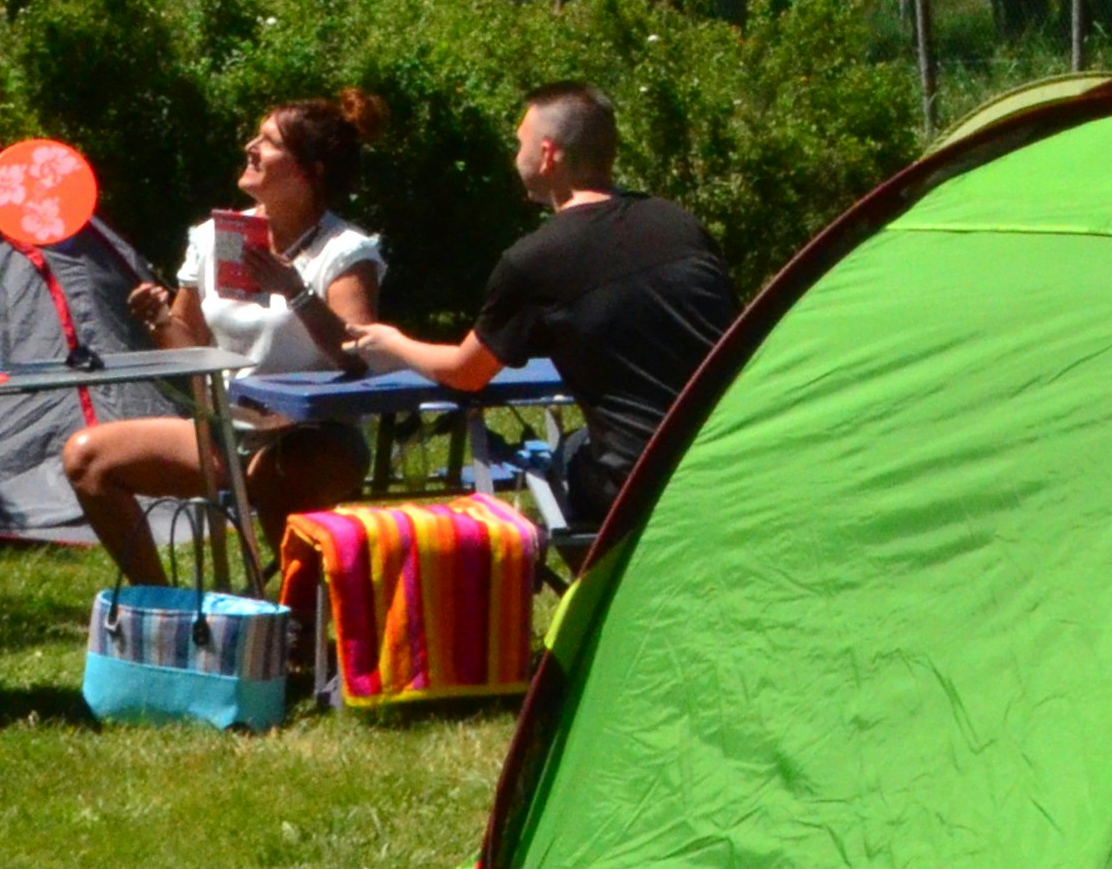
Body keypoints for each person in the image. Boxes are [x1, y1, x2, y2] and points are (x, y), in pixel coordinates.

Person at [350, 82, 736, 536]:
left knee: (566, 453)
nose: (516, 157)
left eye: (520, 145)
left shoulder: (536, 259)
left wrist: (393, 341)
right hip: (732, 458)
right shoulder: (678, 223)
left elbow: (465, 371)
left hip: (641, 478)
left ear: (548, 154)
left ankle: (590, 585)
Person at [59, 93, 393, 581]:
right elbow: (188, 350)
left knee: (275, 473)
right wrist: (158, 319)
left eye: (269, 141)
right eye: (256, 136)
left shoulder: (343, 251)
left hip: (317, 438)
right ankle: (162, 601)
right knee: (87, 458)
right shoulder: (218, 237)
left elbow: (358, 355)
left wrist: (295, 292)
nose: (251, 147)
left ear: (311, 169)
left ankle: (296, 625)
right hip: (226, 433)